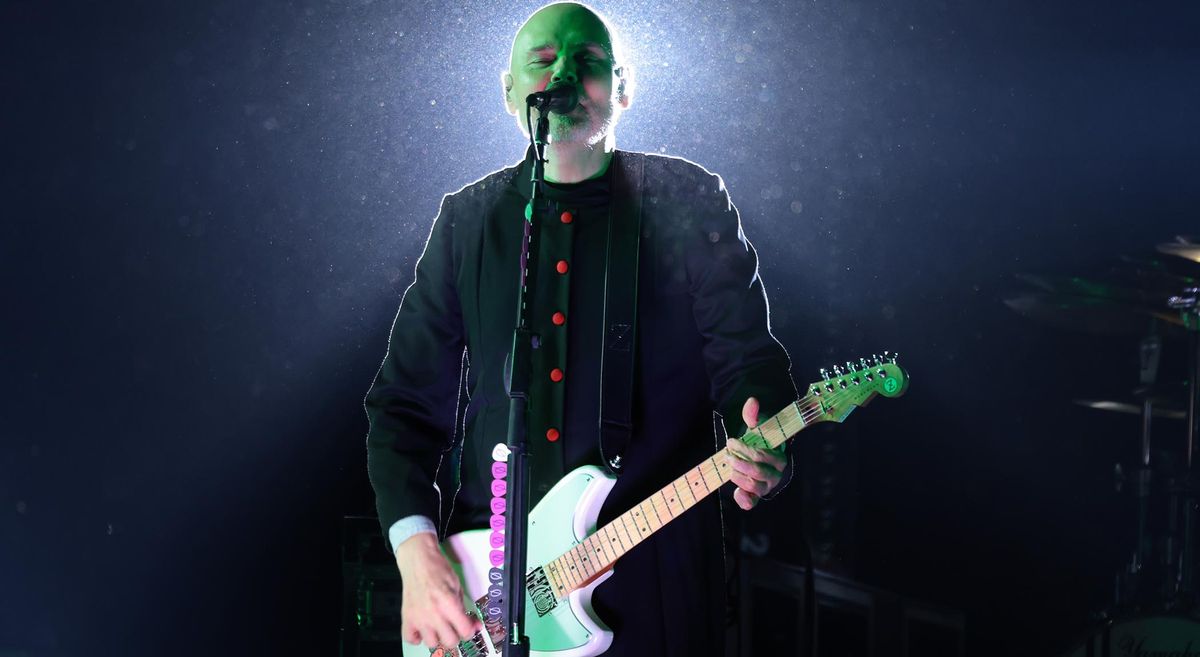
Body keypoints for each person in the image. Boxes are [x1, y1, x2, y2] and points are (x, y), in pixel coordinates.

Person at [364, 2, 797, 654]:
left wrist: (758, 433)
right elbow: (401, 408)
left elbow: (748, 361)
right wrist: (419, 556)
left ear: (623, 87)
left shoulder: (687, 198)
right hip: (491, 590)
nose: (564, 70)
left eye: (588, 61)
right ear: (510, 90)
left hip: (658, 587)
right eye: (542, 59)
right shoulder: (468, 222)